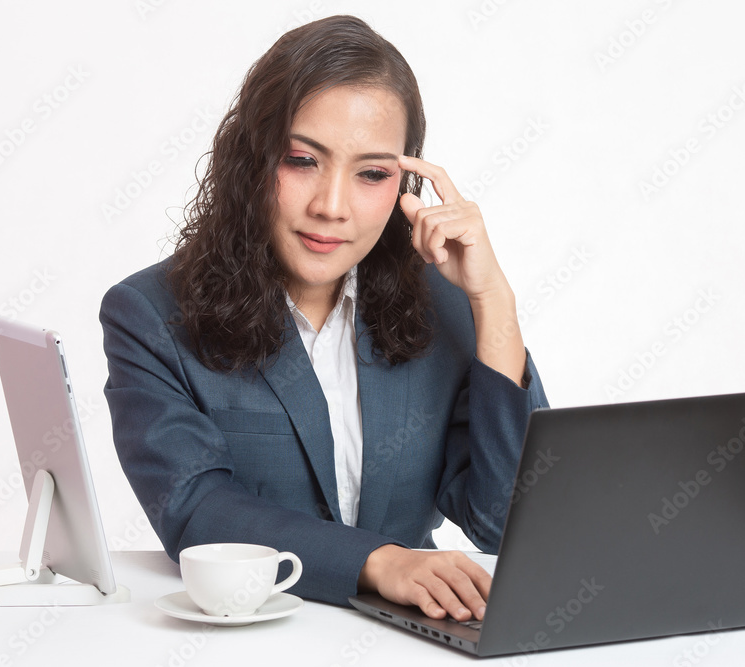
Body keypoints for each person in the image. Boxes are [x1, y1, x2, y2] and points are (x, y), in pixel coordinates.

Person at [99, 14, 548, 623]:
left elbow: (504, 520)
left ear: (405, 182)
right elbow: (196, 509)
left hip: (414, 641)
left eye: (371, 173)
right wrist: (381, 561)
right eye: (301, 160)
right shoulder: (149, 315)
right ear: (250, 158)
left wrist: (493, 302)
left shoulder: (441, 302)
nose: (331, 207)